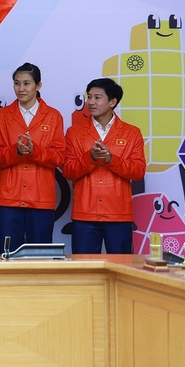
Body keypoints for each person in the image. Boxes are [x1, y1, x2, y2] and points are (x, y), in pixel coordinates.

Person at [62, 78, 146, 254]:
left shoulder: (132, 132)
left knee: (121, 271)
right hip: (84, 214)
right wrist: (90, 157)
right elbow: (68, 170)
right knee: (85, 273)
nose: (90, 102)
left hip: (118, 214)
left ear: (112, 102)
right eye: (89, 97)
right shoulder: (74, 132)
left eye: (97, 97)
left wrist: (111, 159)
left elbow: (138, 171)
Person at [0, 62, 66, 253]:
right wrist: (16, 150)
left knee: (41, 259)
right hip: (9, 198)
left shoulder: (53, 116)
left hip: (40, 197)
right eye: (17, 83)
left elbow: (59, 157)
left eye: (26, 83)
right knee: (7, 257)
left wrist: (35, 151)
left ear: (38, 85)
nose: (21, 89)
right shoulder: (1, 116)